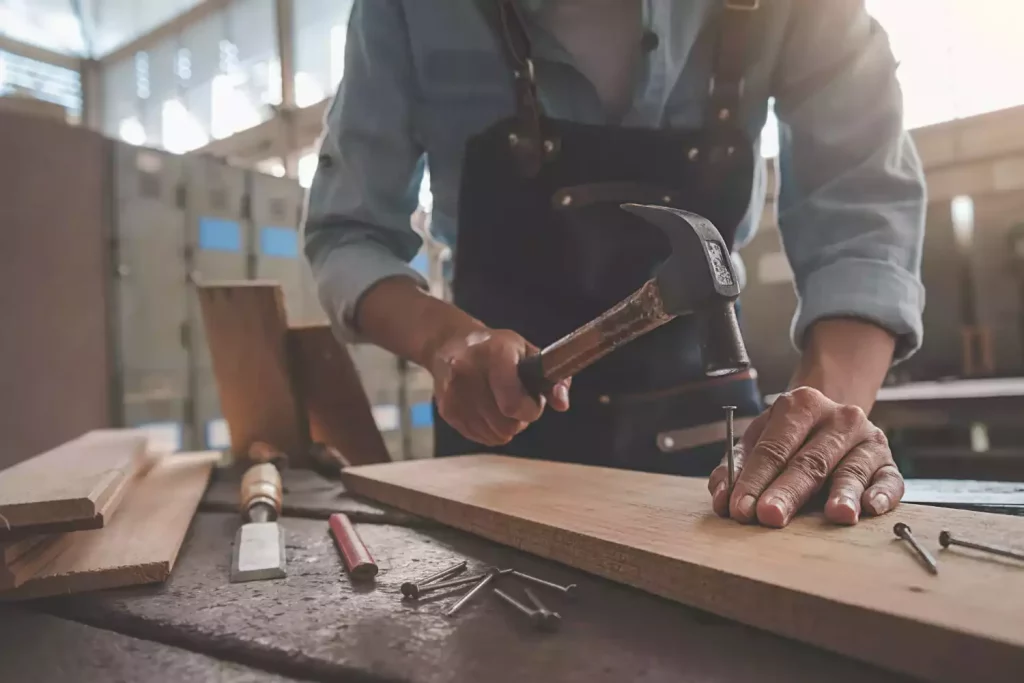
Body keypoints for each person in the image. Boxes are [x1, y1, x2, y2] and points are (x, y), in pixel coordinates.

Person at [304, 0, 926, 528]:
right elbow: (349, 233)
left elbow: (863, 216)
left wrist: (822, 412)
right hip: (500, 454)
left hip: (718, 458)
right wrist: (446, 341)